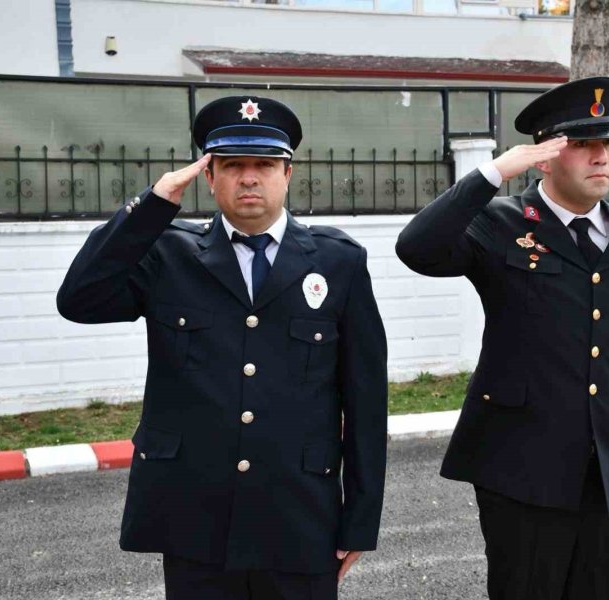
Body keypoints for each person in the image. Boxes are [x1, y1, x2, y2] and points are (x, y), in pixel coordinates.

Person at [57, 96, 388, 600]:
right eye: (232, 166)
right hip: (195, 517)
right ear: (209, 177)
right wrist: (152, 205)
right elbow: (79, 298)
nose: (249, 178)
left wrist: (359, 521)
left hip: (299, 514)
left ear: (288, 173)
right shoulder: (167, 253)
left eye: (264, 165)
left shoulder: (337, 261)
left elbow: (365, 400)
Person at [396, 77, 609, 600]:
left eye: (607, 144)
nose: (600, 157)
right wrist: (494, 172)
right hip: (520, 468)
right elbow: (417, 248)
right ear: (544, 158)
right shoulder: (500, 223)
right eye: (582, 145)